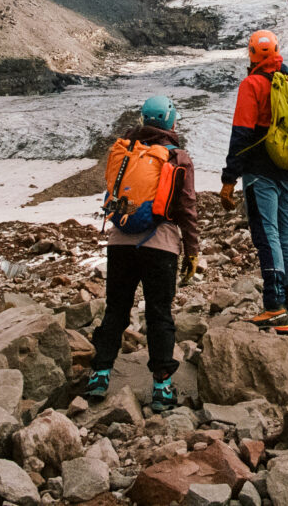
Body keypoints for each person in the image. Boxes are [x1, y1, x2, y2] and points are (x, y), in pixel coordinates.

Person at [85, 95, 200, 411]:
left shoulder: (124, 152)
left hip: (120, 242)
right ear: (170, 122)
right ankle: (162, 387)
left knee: (116, 309)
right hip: (160, 244)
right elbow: (187, 209)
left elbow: (114, 195)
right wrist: (192, 251)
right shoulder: (178, 158)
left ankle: (100, 374)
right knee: (159, 312)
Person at [219, 30, 288, 337]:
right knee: (286, 237)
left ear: (251, 55)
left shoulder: (252, 85)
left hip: (260, 173)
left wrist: (228, 179)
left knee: (268, 235)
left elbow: (242, 134)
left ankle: (274, 306)